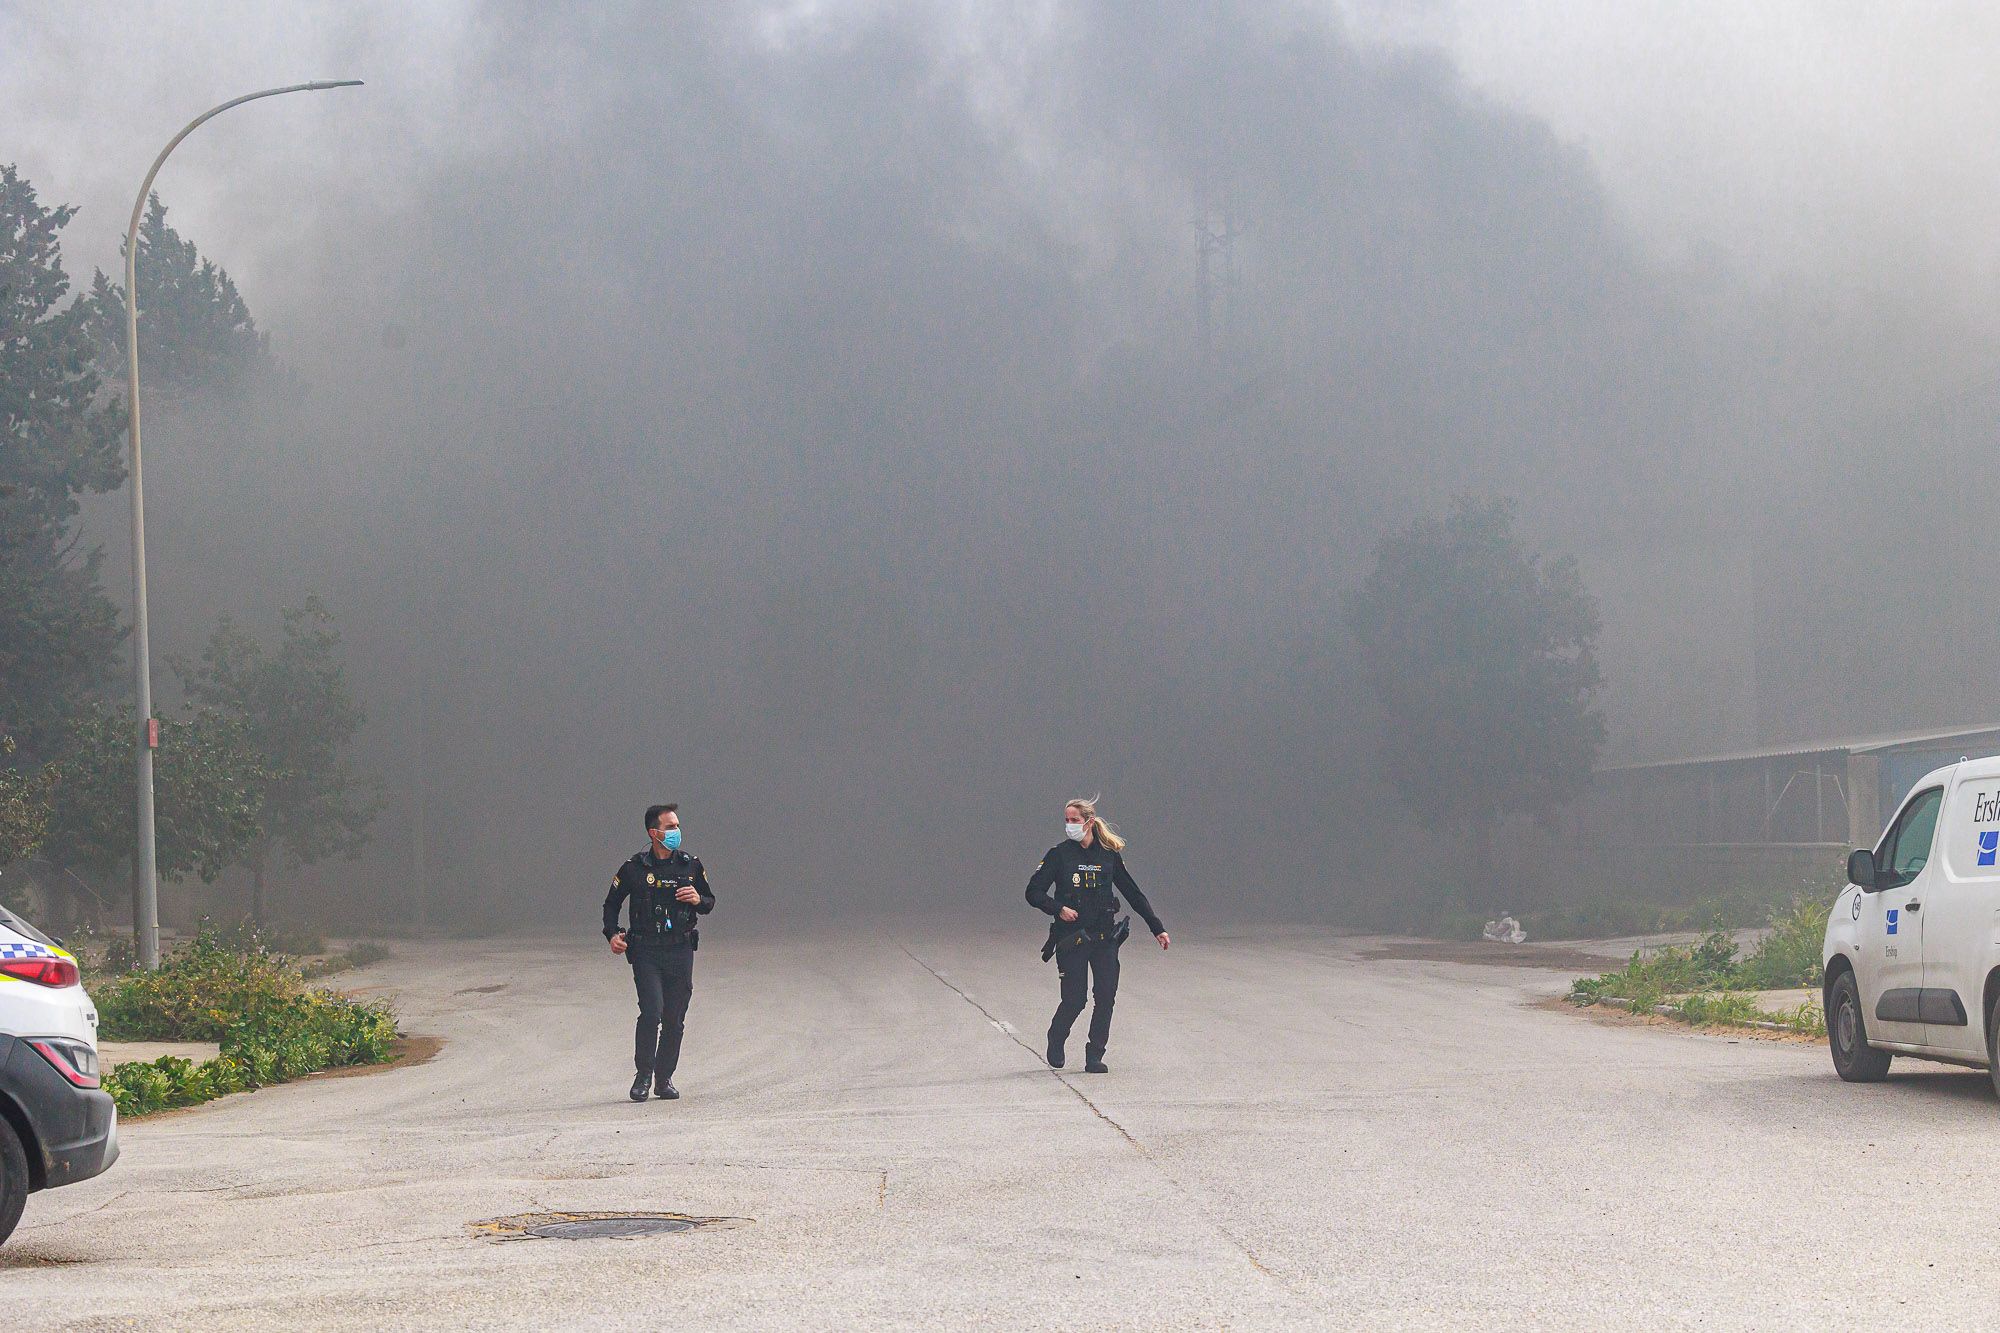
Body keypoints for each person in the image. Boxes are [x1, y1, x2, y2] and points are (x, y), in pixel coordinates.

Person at [1024, 797, 1168, 1073]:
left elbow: (1133, 894)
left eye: (1074, 820)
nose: (1069, 825)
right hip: (1072, 938)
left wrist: (1157, 927)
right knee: (1075, 999)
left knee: (1106, 997)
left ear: (1088, 822)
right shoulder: (1059, 855)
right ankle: (1056, 1038)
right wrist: (1058, 909)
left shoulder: (1108, 856)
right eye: (1066, 820)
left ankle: (1095, 1054)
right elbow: (1033, 892)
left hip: (1104, 939)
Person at [602, 803, 714, 1102]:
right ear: (654, 833)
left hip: (680, 949)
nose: (676, 832)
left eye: (677, 826)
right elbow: (611, 904)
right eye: (670, 827)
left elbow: (709, 901)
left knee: (674, 1018)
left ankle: (664, 1078)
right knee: (651, 1011)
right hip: (646, 951)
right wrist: (612, 934)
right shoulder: (634, 869)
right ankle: (644, 1074)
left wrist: (697, 898)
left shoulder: (690, 865)